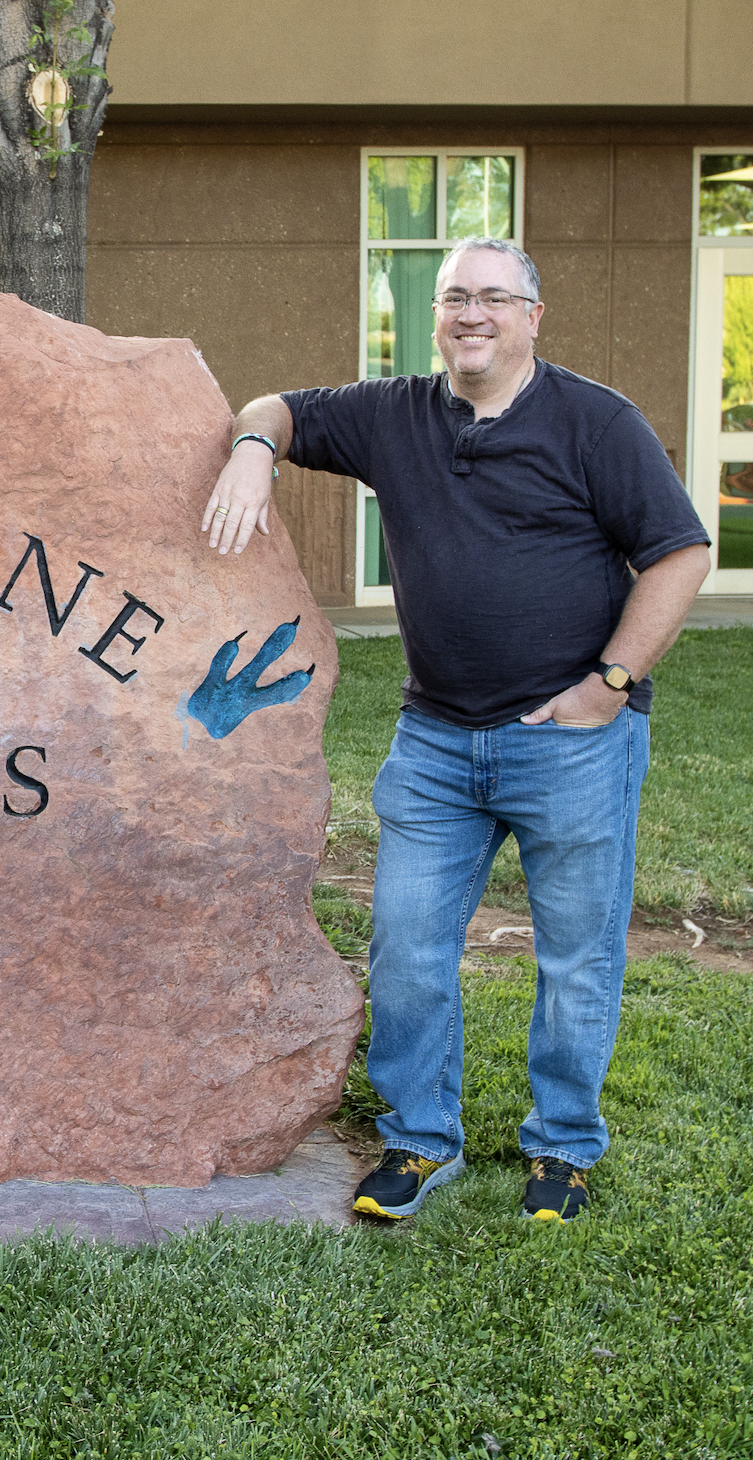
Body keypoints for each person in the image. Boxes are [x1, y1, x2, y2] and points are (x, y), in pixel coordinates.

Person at [203, 238, 712, 1223]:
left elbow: (679, 554)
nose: (469, 314)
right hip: (435, 740)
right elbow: (276, 406)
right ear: (430, 317)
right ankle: (416, 1138)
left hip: (571, 741)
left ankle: (560, 1146)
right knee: (404, 948)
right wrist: (253, 453)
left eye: (490, 297)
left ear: (530, 315)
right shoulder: (392, 415)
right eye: (450, 298)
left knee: (575, 957)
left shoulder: (595, 422)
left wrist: (607, 685)